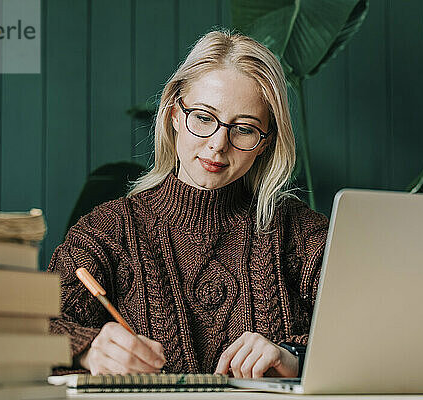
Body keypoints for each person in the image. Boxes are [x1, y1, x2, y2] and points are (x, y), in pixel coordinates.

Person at [48, 30, 328, 378]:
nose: (218, 145)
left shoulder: (302, 234)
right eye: (203, 118)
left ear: (266, 143)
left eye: (244, 129)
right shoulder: (106, 231)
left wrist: (294, 356)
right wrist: (87, 351)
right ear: (174, 114)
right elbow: (27, 326)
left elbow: (370, 330)